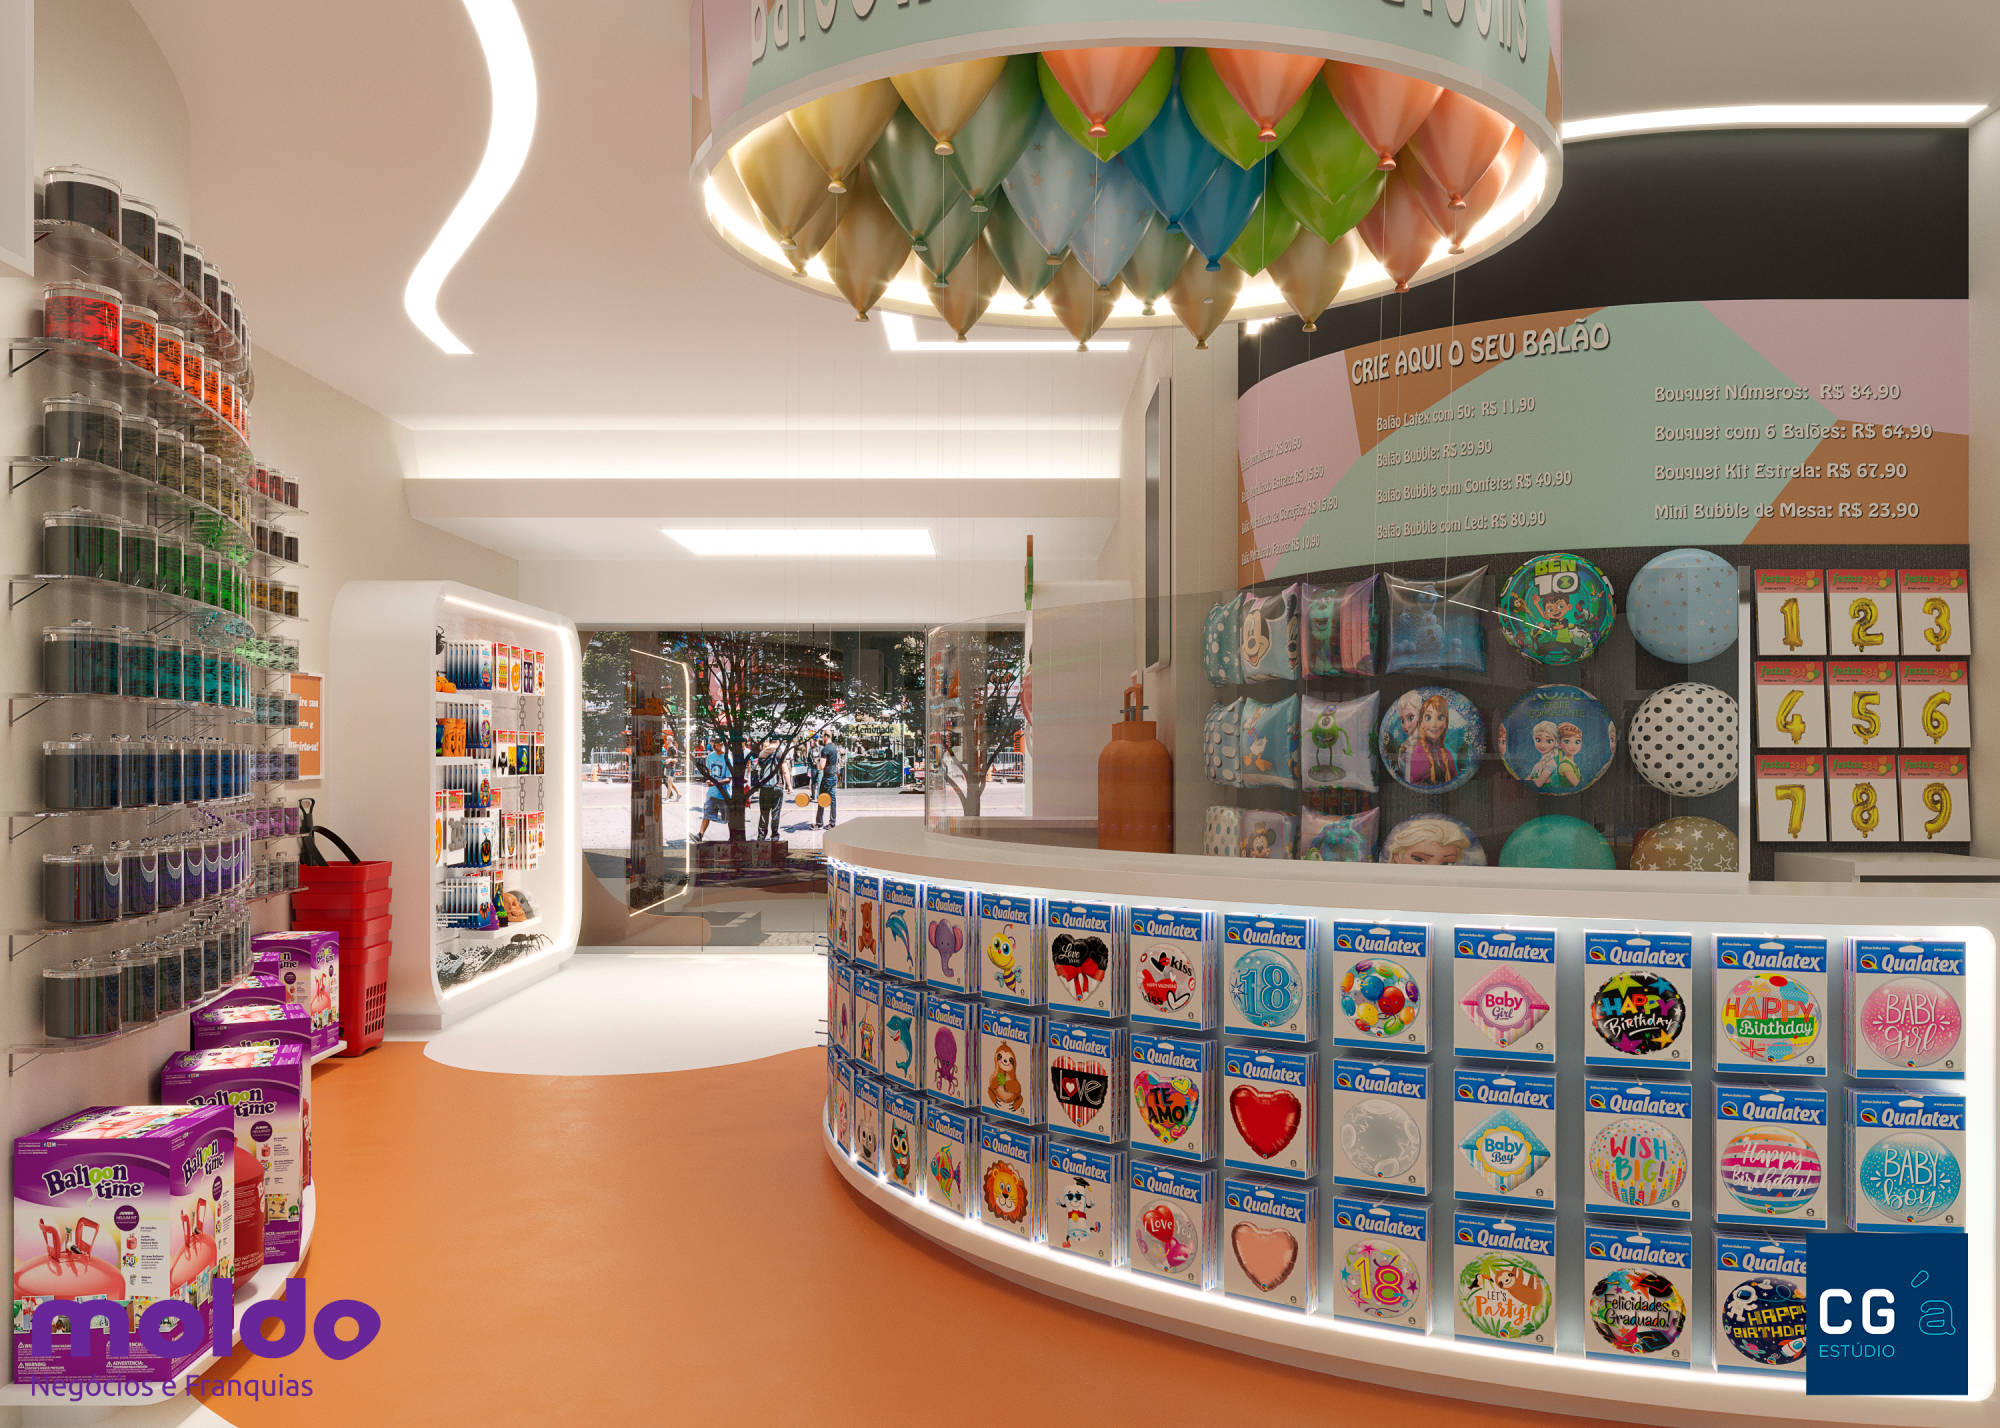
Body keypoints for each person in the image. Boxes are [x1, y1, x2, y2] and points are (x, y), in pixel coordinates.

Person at [695, 747, 730, 841]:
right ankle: (700, 835)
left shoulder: (728, 758)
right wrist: (708, 779)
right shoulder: (710, 756)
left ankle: (732, 837)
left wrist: (715, 783)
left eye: (718, 742)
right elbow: (708, 773)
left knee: (728, 818)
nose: (715, 745)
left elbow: (729, 779)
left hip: (724, 794)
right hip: (712, 793)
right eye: (714, 742)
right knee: (707, 815)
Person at [812, 731, 841, 829]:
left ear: (826, 737)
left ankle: (819, 823)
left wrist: (817, 763)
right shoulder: (834, 747)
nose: (822, 739)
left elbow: (821, 766)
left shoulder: (825, 749)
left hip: (827, 777)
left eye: (822, 737)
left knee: (821, 799)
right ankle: (832, 823)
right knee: (833, 800)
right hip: (833, 776)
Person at [755, 739, 782, 841]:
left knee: (764, 813)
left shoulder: (762, 753)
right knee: (775, 812)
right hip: (776, 786)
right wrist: (789, 786)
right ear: (777, 741)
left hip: (764, 786)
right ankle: (774, 836)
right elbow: (784, 769)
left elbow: (758, 768)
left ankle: (761, 836)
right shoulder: (779, 752)